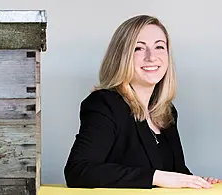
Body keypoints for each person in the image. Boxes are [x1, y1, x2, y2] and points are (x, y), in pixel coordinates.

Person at [64, 15, 221, 189]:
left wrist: (194, 181)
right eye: (138, 48)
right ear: (121, 56)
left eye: (159, 47)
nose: (151, 57)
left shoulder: (165, 111)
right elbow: (77, 171)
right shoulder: (104, 104)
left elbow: (174, 172)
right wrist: (156, 177)